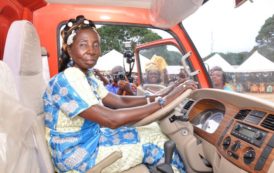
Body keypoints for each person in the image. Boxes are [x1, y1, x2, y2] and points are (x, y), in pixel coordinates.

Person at [43, 15, 196, 173]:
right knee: (155, 141)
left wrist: (164, 94)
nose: (91, 51)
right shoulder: (70, 78)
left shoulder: (86, 76)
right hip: (78, 156)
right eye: (83, 45)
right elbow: (111, 119)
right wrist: (163, 102)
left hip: (88, 142)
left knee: (153, 128)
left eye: (96, 45)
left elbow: (119, 101)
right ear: (69, 49)